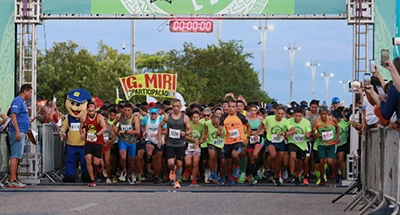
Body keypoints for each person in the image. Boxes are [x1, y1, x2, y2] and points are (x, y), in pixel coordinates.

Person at [256, 105, 296, 186]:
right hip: (271, 140)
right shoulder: (269, 118)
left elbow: (293, 130)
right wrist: (257, 133)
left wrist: (285, 133)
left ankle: (276, 176)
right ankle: (267, 168)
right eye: (279, 113)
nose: (280, 115)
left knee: (279, 161)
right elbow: (262, 124)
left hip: (280, 141)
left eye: (282, 114)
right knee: (273, 155)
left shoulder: (285, 121)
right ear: (275, 112)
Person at [158, 99, 192, 189]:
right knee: (170, 163)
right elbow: (160, 126)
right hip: (170, 143)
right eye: (174, 106)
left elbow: (190, 129)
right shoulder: (167, 117)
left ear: (180, 107)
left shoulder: (185, 117)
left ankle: (176, 181)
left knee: (179, 164)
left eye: (177, 106)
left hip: (181, 143)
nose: (176, 108)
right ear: (171, 107)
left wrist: (185, 133)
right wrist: (159, 140)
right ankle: (172, 170)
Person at [218, 100, 251, 186]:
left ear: (236, 108)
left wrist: (247, 137)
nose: (231, 109)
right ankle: (230, 177)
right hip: (228, 141)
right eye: (230, 106)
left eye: (233, 107)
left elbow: (248, 126)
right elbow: (219, 129)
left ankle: (237, 166)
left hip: (239, 140)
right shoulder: (224, 117)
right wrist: (220, 133)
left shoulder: (241, 117)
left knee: (235, 154)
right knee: (227, 162)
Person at [7, 84, 32, 188]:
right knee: (15, 156)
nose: (30, 95)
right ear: (25, 91)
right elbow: (13, 116)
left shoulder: (22, 102)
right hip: (16, 132)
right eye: (30, 92)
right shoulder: (17, 101)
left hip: (21, 131)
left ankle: (14, 178)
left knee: (17, 156)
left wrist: (25, 132)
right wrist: (17, 131)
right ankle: (12, 180)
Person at [80, 102, 107, 187]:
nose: (91, 113)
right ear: (87, 110)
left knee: (95, 162)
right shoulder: (83, 117)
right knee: (88, 159)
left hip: (98, 141)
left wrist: (97, 134)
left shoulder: (99, 117)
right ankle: (92, 179)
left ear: (95, 110)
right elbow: (81, 128)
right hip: (88, 141)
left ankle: (99, 166)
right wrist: (82, 133)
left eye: (92, 111)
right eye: (89, 111)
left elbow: (104, 128)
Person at [312, 106, 340, 186]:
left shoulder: (332, 119)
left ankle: (333, 171)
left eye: (325, 114)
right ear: (319, 114)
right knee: (321, 162)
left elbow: (337, 128)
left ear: (327, 113)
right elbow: (313, 132)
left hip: (331, 143)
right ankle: (322, 178)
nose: (323, 116)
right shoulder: (316, 121)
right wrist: (315, 134)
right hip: (321, 144)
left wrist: (338, 137)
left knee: (330, 161)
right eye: (321, 114)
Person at [113, 103, 141, 184]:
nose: (127, 112)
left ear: (131, 111)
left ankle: (131, 174)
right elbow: (113, 125)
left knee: (131, 160)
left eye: (129, 110)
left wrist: (125, 131)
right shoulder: (119, 116)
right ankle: (124, 170)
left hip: (132, 141)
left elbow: (137, 131)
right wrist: (116, 131)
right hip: (122, 140)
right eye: (125, 110)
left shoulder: (134, 118)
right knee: (123, 157)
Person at [141, 107, 166, 184]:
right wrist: (144, 131)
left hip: (159, 141)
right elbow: (142, 125)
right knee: (149, 154)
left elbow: (166, 130)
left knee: (158, 159)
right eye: (152, 114)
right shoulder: (146, 119)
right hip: (149, 140)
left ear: (157, 114)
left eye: (155, 114)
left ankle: (157, 175)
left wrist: (159, 133)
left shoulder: (161, 119)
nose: (153, 115)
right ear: (150, 114)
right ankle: (149, 171)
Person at [287, 108, 312, 185]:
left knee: (301, 162)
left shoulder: (306, 122)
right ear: (293, 115)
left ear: (302, 116)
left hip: (302, 144)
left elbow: (309, 132)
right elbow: (286, 131)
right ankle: (291, 174)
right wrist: (287, 134)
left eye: (299, 116)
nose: (297, 117)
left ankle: (299, 175)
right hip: (292, 142)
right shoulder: (289, 121)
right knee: (292, 155)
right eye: (296, 116)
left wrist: (308, 135)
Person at [183, 111, 206, 186]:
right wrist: (194, 140)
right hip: (189, 145)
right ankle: (188, 170)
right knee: (188, 163)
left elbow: (203, 138)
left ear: (199, 117)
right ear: (191, 118)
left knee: (195, 163)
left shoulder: (202, 126)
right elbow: (185, 135)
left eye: (197, 117)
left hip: (197, 147)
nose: (196, 119)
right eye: (194, 117)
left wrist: (198, 142)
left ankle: (193, 178)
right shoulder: (189, 124)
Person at [247, 103, 265, 184]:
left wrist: (255, 133)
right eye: (251, 110)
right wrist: (251, 134)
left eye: (254, 110)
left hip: (259, 138)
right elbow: (246, 130)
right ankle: (254, 174)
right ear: (249, 111)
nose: (253, 112)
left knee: (255, 154)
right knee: (251, 158)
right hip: (250, 139)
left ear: (257, 111)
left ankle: (259, 168)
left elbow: (263, 129)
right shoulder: (246, 119)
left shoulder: (260, 119)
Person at [100, 111, 116, 184]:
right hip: (99, 145)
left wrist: (110, 142)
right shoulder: (97, 125)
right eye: (102, 119)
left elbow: (114, 137)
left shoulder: (110, 126)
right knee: (99, 161)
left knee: (107, 161)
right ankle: (97, 176)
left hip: (107, 145)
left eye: (105, 119)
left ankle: (108, 177)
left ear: (107, 119)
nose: (104, 121)